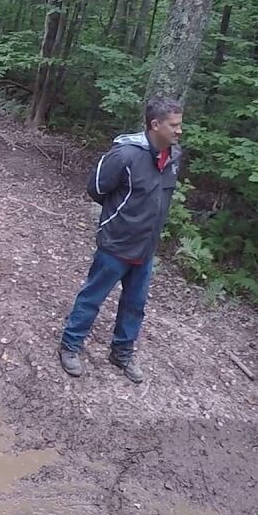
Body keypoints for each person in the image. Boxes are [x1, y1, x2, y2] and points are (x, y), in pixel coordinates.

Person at [58, 97, 184, 383]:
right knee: (92, 297)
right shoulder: (125, 155)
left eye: (180, 124)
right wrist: (118, 222)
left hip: (146, 248)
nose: (179, 131)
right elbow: (96, 189)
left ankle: (122, 352)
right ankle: (70, 346)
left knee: (135, 304)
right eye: (174, 125)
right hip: (115, 245)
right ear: (155, 125)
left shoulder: (173, 157)